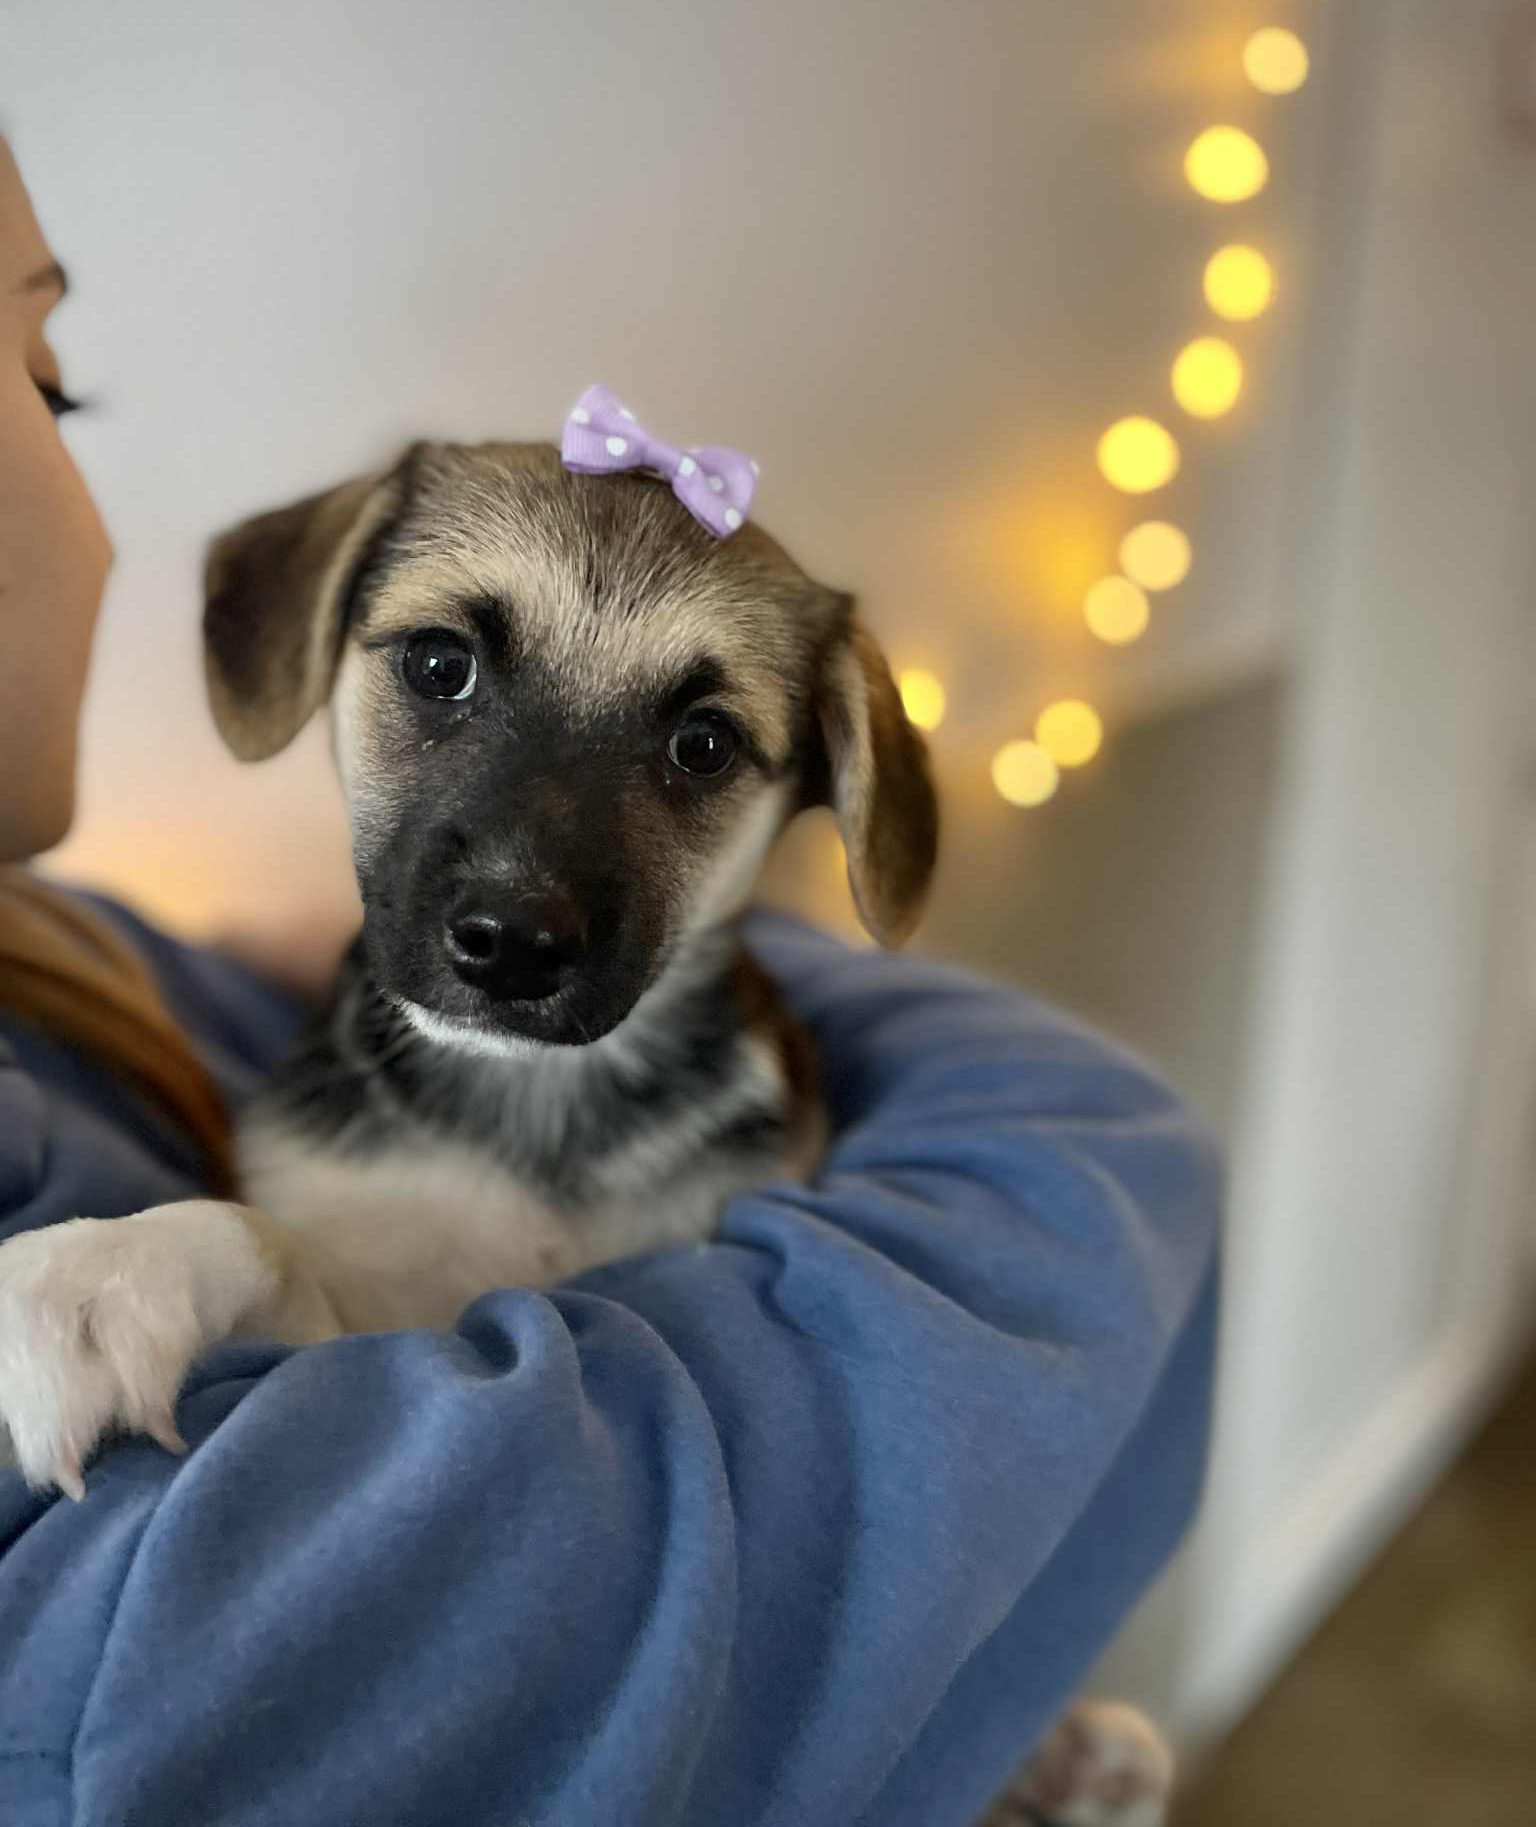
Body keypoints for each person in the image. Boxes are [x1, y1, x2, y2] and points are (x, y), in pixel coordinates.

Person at [0, 136, 1219, 1827]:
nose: (524, 885)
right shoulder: (268, 1138)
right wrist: (211, 1257)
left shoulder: (138, 985)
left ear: (832, 795)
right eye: (443, 667)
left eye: (698, 746)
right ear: (305, 639)